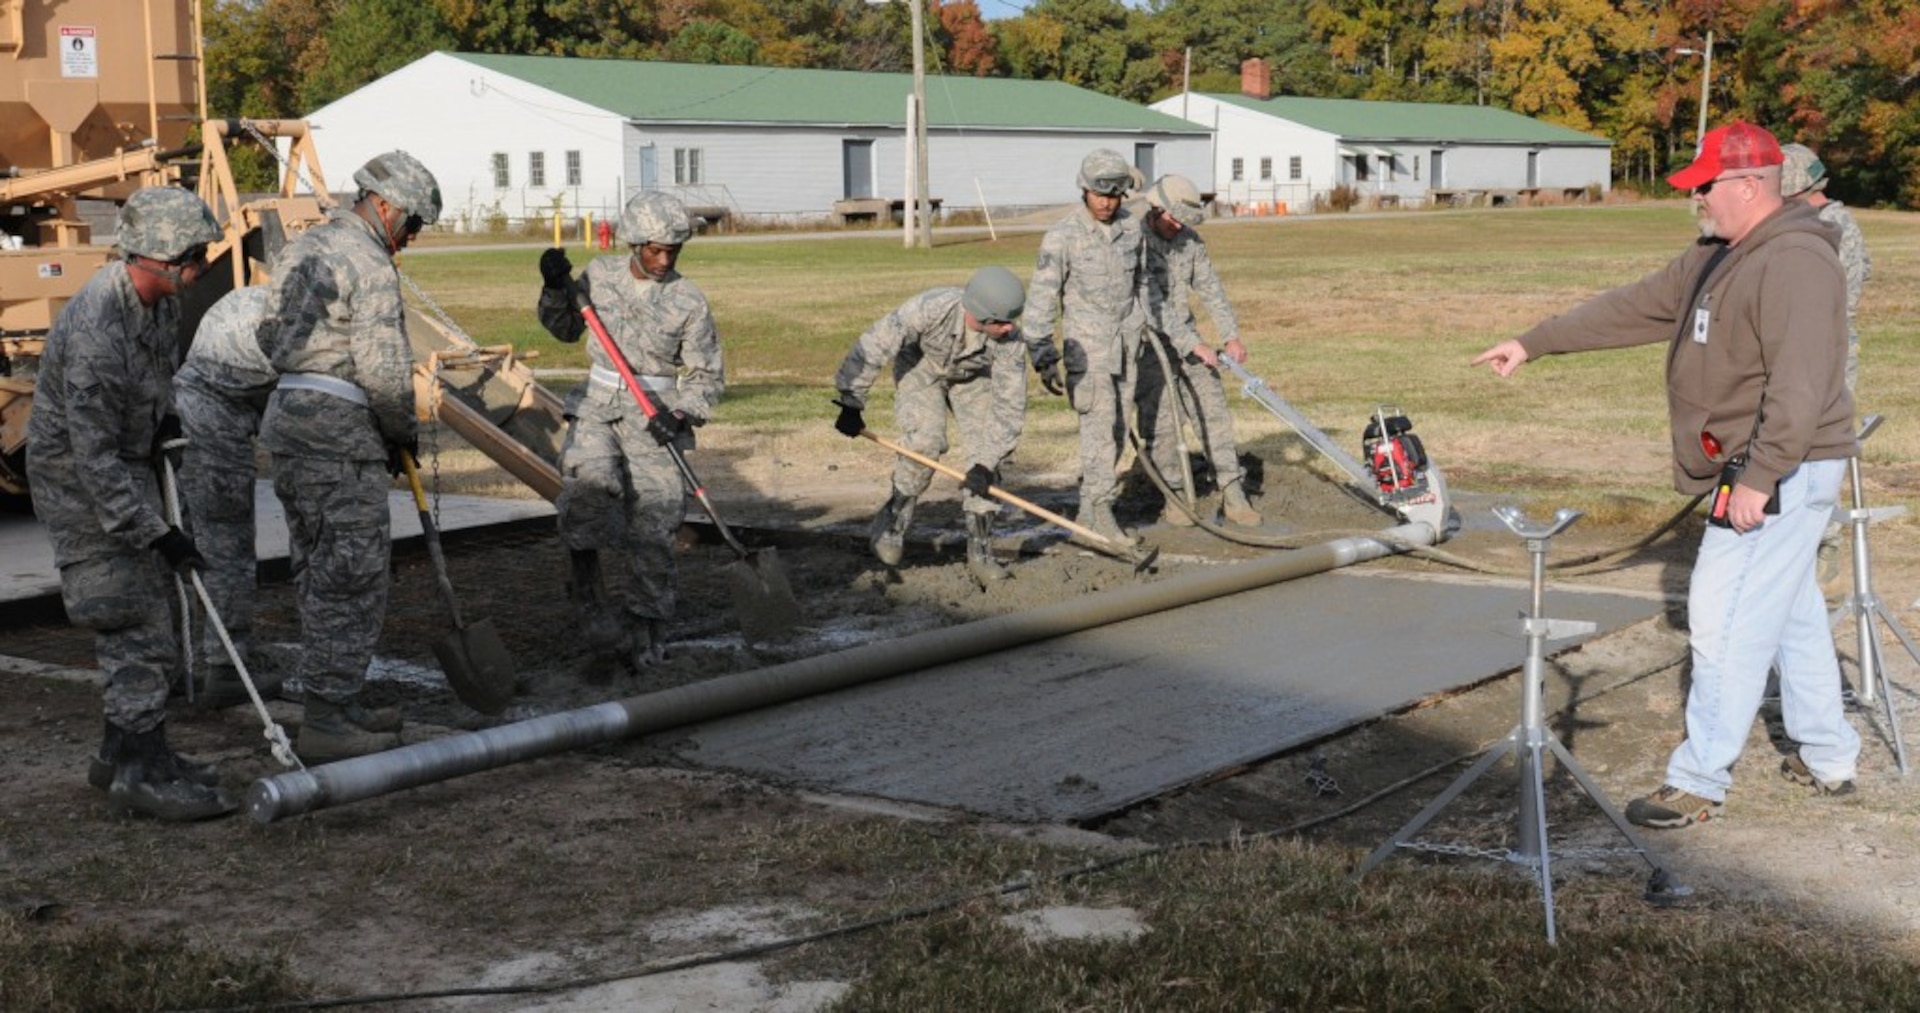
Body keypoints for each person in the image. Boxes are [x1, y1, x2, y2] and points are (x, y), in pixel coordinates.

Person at [1472, 121, 1860, 829]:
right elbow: (1638, 304)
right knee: (1791, 610)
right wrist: (1536, 342)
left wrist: (1759, 477)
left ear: (1747, 186)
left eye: (1706, 186)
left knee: (1722, 619)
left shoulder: (1797, 262)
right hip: (1762, 465)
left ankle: (1699, 779)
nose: (1697, 200)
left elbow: (1801, 385)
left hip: (1781, 468)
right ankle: (1830, 755)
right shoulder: (1719, 254)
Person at [26, 185, 233, 820]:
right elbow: (92, 459)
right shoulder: (95, 327)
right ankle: (140, 776)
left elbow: (156, 385)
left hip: (126, 469)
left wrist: (167, 424)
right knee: (131, 615)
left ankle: (126, 752)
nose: (199, 269)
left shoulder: (161, 307)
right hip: (83, 486)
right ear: (155, 256)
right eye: (192, 258)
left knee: (151, 607)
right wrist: (156, 532)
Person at [258, 150, 441, 763]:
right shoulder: (368, 260)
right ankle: (330, 717)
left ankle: (337, 699)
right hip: (340, 434)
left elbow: (266, 333)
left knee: (316, 571)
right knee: (353, 576)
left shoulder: (302, 249)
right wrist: (400, 428)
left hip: (288, 425)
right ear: (384, 205)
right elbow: (384, 368)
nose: (411, 238)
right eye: (412, 223)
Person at [536, 191, 723, 668]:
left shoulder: (689, 301)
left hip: (655, 418)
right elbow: (563, 329)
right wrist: (555, 287)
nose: (664, 260)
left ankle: (648, 623)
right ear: (634, 243)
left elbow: (707, 378)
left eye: (673, 251)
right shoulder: (599, 277)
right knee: (586, 491)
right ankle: (587, 592)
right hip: (598, 407)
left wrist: (680, 414)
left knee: (657, 518)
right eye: (654, 250)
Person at [831, 266, 1029, 586]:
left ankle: (980, 549)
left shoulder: (1012, 341)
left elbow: (1010, 407)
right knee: (925, 443)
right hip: (921, 368)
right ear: (981, 314)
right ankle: (893, 520)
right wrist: (851, 400)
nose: (1010, 328)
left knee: (988, 462)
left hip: (972, 379)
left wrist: (986, 463)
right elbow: (876, 343)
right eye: (1003, 321)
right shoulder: (929, 309)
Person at [1023, 148, 1151, 545]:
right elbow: (1042, 297)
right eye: (1100, 194)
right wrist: (1043, 354)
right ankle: (1101, 512)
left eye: (1114, 195)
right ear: (1084, 189)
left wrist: (1145, 323)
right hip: (1087, 352)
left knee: (1115, 431)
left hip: (1127, 347)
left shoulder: (1132, 229)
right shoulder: (1063, 236)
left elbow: (1143, 282)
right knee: (1098, 432)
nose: (1107, 202)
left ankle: (1087, 512)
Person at [172, 285, 283, 709]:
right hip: (213, 429)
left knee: (181, 547)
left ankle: (174, 665)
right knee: (227, 550)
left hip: (179, 410)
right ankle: (226, 666)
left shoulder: (252, 297)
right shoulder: (286, 325)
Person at [1135, 174, 1261, 528]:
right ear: (1156, 209)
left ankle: (1233, 493)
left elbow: (1210, 288)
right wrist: (1194, 344)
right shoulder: (1134, 242)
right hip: (1149, 347)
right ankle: (1175, 495)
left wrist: (1230, 335)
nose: (1177, 226)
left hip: (1190, 343)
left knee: (1213, 410)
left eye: (1183, 221)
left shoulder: (1190, 242)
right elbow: (1151, 304)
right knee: (1159, 426)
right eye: (1172, 219)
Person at [1781, 142, 1873, 584]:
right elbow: (1865, 271)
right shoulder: (1841, 219)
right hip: (1831, 348)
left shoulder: (1824, 226)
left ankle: (1821, 552)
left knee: (1816, 450)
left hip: (1822, 353)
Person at [1779, 143, 1871, 392]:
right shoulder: (1841, 219)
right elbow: (1864, 271)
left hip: (1816, 346)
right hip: (1838, 339)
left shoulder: (1817, 227)